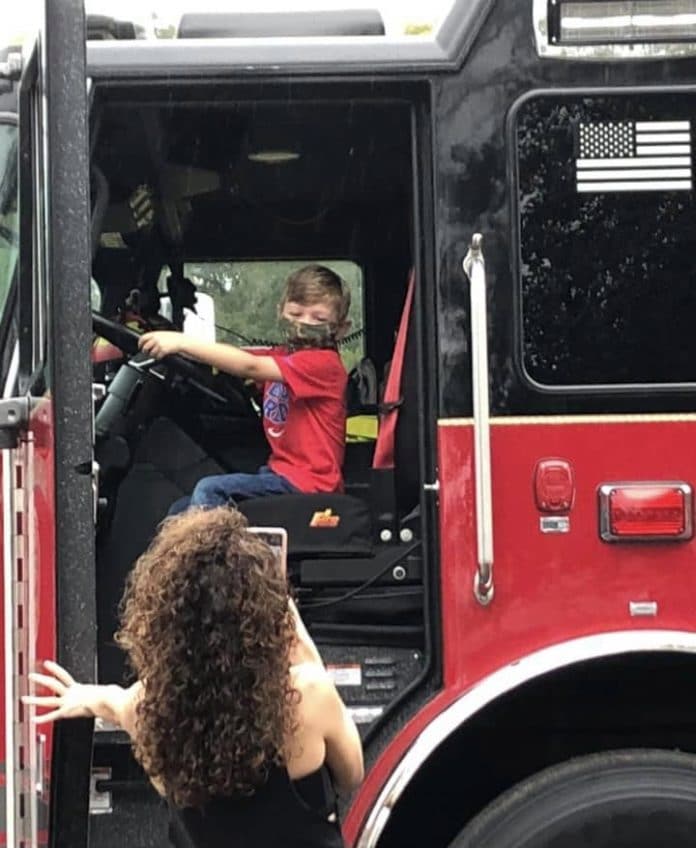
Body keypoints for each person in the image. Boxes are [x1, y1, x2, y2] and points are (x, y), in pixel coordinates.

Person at [23, 507, 363, 847]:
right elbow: (351, 776)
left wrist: (82, 696)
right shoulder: (308, 695)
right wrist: (289, 618)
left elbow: (114, 701)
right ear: (263, 619)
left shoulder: (147, 711)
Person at [138, 264, 351, 512]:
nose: (304, 324)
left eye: (319, 319)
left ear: (341, 328)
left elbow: (250, 366)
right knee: (180, 510)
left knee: (210, 490)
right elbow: (235, 357)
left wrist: (181, 342)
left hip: (310, 485)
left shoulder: (323, 364)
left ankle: (210, 551)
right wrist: (177, 349)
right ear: (281, 312)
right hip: (280, 474)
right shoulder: (283, 357)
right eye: (296, 313)